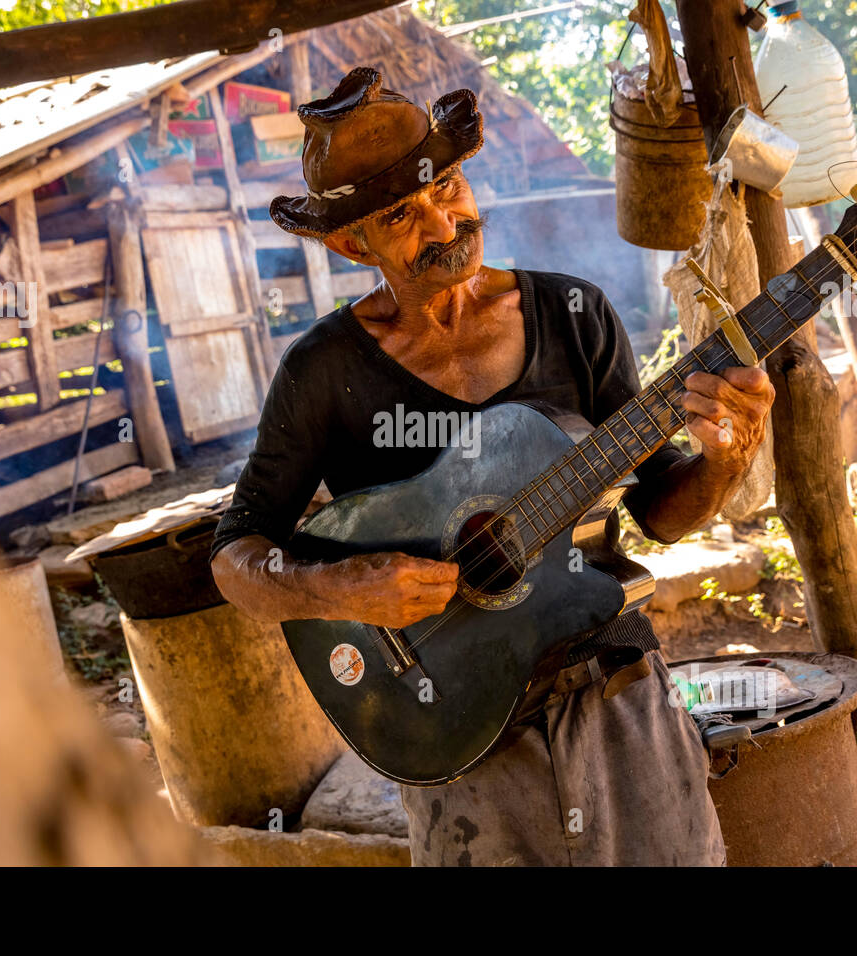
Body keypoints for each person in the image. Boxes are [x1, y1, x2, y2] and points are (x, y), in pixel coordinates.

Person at [209, 66, 775, 866]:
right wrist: (336, 587)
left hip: (614, 695)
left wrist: (723, 461)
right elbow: (236, 557)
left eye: (450, 186)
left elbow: (657, 511)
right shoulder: (322, 373)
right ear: (348, 242)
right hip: (453, 729)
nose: (445, 222)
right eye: (403, 214)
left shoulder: (572, 316)